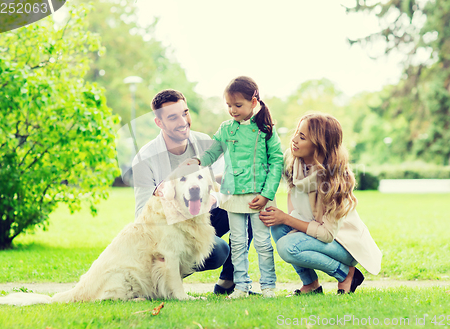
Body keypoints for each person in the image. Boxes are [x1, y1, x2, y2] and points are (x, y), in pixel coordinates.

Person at [131, 89, 250, 294]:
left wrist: (214, 196)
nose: (183, 121)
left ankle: (229, 282)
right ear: (159, 122)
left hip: (203, 215)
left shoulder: (205, 142)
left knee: (245, 204)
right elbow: (142, 216)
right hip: (169, 229)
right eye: (173, 117)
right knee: (218, 250)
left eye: (185, 112)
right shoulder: (145, 159)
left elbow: (224, 186)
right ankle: (168, 276)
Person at [259, 113, 382, 295]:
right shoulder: (294, 161)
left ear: (319, 146)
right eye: (296, 133)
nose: (294, 140)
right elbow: (275, 179)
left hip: (343, 244)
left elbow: (327, 234)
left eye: (302, 137)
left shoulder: (334, 180)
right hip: (315, 232)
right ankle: (311, 284)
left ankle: (347, 273)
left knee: (288, 246)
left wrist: (287, 219)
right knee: (278, 229)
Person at [185, 76, 283, 298]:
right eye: (229, 105)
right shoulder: (226, 129)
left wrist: (267, 195)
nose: (232, 110)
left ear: (253, 101)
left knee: (263, 244)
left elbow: (277, 162)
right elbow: (213, 151)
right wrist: (199, 161)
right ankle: (241, 286)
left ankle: (268, 286)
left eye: (238, 105)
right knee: (238, 243)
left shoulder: (266, 130)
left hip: (260, 198)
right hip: (233, 196)